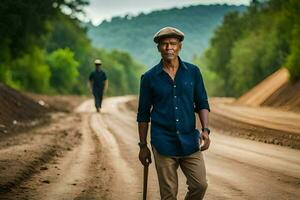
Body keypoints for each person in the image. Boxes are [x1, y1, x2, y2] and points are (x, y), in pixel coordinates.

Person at [137, 27, 211, 200]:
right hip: (163, 143)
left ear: (180, 46)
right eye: (164, 44)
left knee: (200, 185)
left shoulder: (193, 72)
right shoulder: (149, 78)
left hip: (190, 141)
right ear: (158, 48)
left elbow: (202, 102)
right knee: (169, 194)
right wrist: (142, 146)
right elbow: (143, 115)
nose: (168, 47)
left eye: (172, 43)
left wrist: (205, 130)